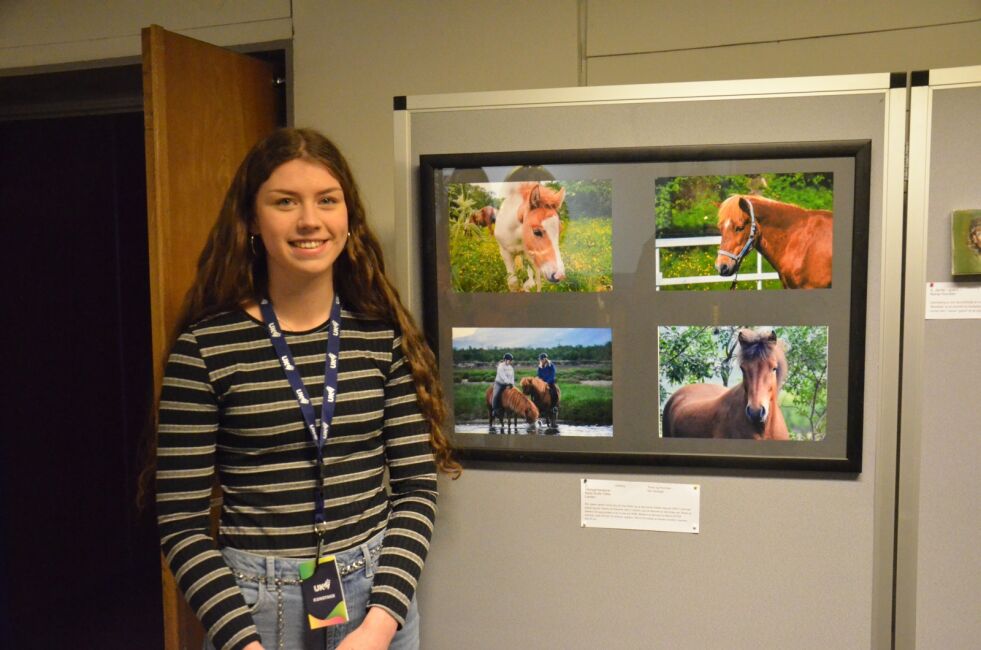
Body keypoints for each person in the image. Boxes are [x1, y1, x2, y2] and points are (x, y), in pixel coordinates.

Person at [152, 128, 459, 650]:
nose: (309, 220)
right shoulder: (205, 350)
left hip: (375, 599)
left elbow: (416, 489)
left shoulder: (380, 339)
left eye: (326, 200)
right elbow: (181, 521)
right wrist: (242, 642)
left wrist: (381, 624)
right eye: (285, 202)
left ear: (348, 218)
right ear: (251, 219)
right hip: (255, 610)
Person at [490, 353, 515, 417]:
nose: (510, 361)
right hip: (499, 383)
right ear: (505, 360)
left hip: (508, 384)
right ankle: (495, 410)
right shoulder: (500, 366)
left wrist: (512, 384)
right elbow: (502, 376)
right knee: (496, 395)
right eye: (509, 360)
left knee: (514, 394)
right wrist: (508, 382)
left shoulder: (511, 368)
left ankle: (512, 409)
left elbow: (512, 377)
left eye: (511, 360)